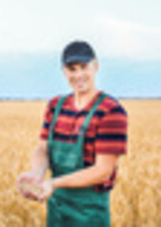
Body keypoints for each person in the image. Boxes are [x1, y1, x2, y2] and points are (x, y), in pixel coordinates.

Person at [14, 40, 122, 226]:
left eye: (84, 67)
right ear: (64, 72)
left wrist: (53, 183)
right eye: (72, 69)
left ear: (95, 67)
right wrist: (37, 172)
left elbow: (103, 171)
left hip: (90, 214)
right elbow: (42, 148)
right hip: (57, 210)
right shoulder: (55, 106)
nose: (78, 74)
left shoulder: (110, 111)